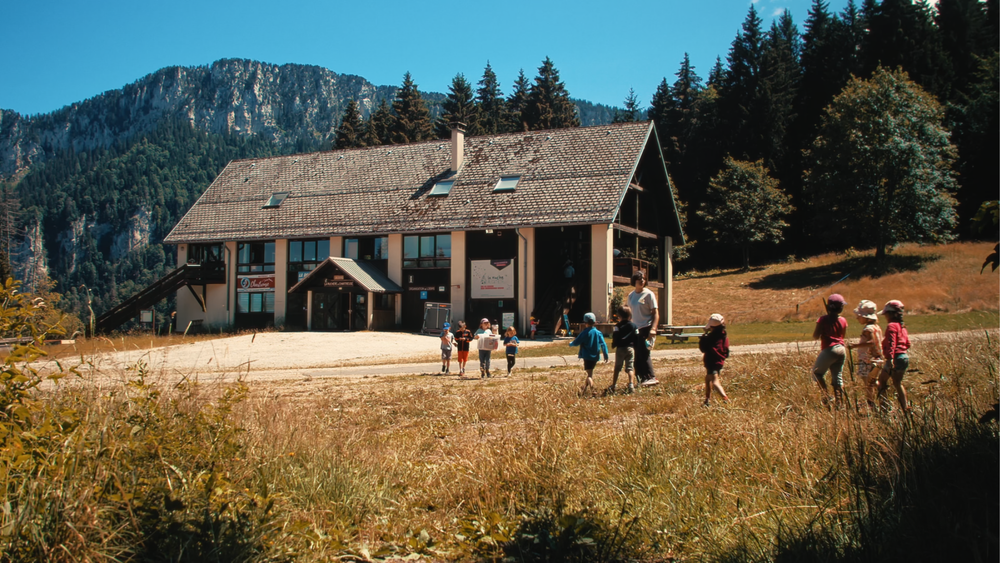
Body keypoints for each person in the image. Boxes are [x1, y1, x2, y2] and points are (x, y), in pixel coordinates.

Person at [812, 294, 848, 408]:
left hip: (829, 349)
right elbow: (842, 335)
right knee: (837, 377)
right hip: (841, 349)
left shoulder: (822, 319)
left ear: (828, 307)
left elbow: (815, 336)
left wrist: (823, 330)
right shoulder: (843, 320)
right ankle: (840, 403)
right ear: (841, 308)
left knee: (816, 373)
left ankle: (826, 397)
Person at [847, 300, 883, 409]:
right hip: (878, 358)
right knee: (873, 381)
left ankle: (871, 404)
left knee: (868, 384)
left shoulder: (868, 329)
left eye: (859, 316)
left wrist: (854, 346)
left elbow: (871, 342)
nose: (857, 318)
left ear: (866, 317)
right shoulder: (877, 327)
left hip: (868, 360)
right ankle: (882, 399)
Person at [877, 300, 911, 413]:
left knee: (881, 381)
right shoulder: (903, 327)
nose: (885, 316)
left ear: (891, 314)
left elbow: (892, 343)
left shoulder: (891, 326)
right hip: (904, 357)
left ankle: (884, 408)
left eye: (886, 314)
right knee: (897, 383)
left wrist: (890, 358)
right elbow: (908, 344)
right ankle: (905, 407)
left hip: (894, 358)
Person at [627, 271, 659, 386]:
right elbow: (630, 314)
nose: (642, 281)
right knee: (637, 355)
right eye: (639, 279)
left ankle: (651, 377)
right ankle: (641, 379)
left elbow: (655, 313)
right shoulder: (631, 296)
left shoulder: (649, 294)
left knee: (644, 353)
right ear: (634, 281)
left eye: (644, 279)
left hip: (646, 326)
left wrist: (653, 329)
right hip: (635, 328)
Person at [569, 312, 609, 396]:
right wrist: (605, 354)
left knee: (589, 375)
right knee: (590, 372)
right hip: (595, 356)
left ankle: (593, 389)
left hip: (587, 356)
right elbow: (603, 344)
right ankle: (585, 388)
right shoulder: (598, 333)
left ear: (585, 322)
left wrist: (571, 344)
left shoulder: (585, 333)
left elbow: (577, 342)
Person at [699, 313, 730, 406]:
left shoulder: (711, 338)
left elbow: (703, 348)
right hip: (719, 361)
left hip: (711, 361)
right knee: (708, 379)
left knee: (715, 381)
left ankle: (725, 398)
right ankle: (707, 400)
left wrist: (703, 337)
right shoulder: (723, 334)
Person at [607, 306, 638, 395]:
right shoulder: (634, 326)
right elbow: (637, 336)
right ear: (630, 315)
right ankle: (631, 384)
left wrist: (614, 344)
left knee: (617, 367)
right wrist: (636, 345)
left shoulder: (617, 326)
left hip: (620, 348)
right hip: (630, 348)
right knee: (630, 367)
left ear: (619, 316)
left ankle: (614, 384)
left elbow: (615, 336)